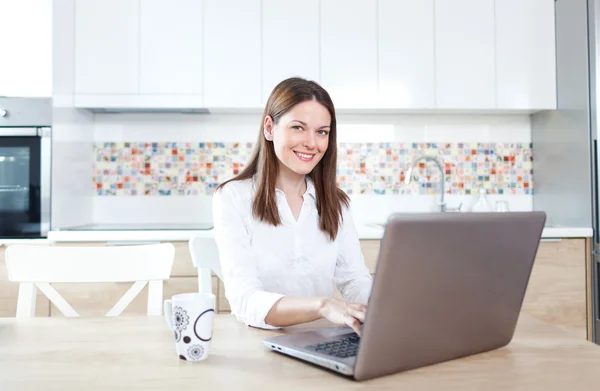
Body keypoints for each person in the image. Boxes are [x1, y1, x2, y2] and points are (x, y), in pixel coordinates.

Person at [212, 77, 372, 335]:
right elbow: (245, 301)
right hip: (257, 345)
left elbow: (355, 281)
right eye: (298, 127)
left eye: (322, 132)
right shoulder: (232, 198)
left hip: (320, 343)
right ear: (269, 128)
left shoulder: (337, 204)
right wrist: (323, 305)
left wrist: (386, 303)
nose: (312, 142)